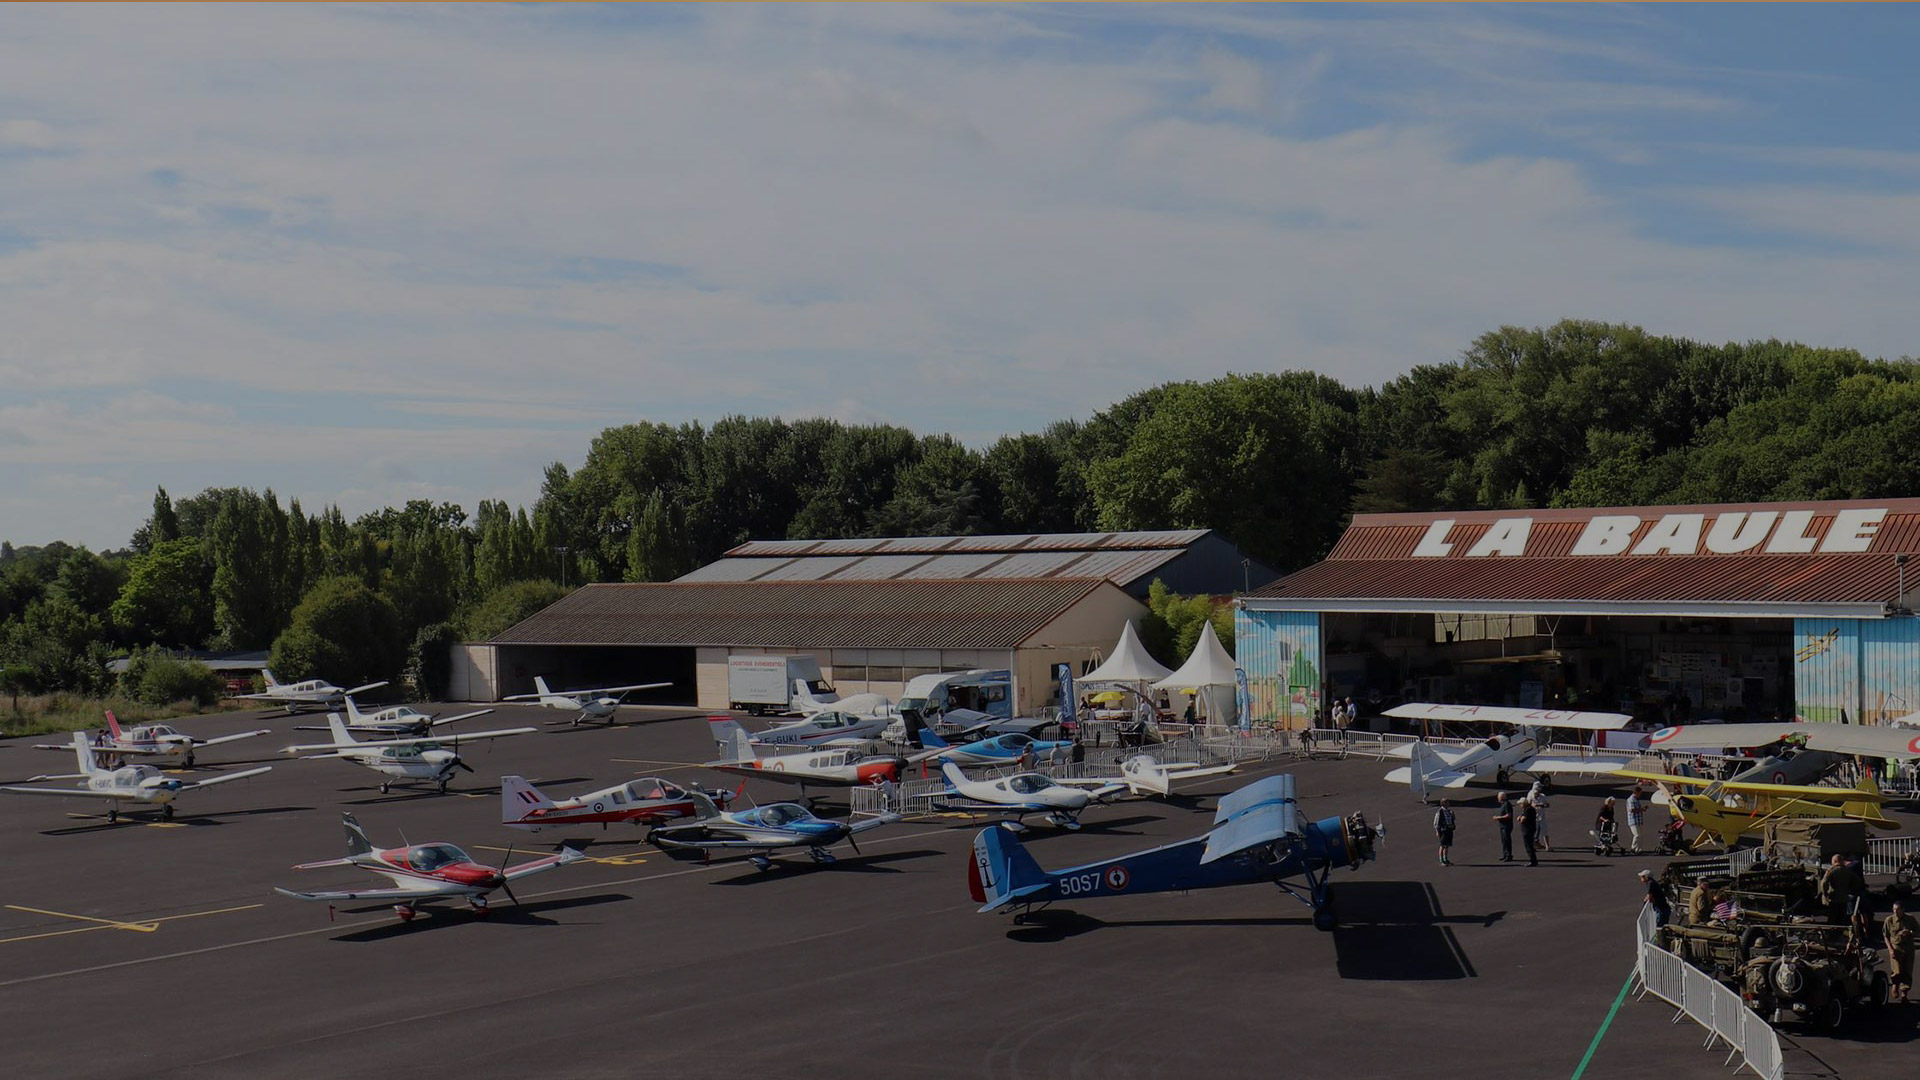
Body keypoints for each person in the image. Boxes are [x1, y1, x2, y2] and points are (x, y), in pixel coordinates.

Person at [1818, 853, 1863, 927]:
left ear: (1835, 861)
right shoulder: (1848, 871)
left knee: (1833, 918)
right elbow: (1857, 882)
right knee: (1842, 918)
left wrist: (1825, 894)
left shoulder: (1831, 871)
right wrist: (1850, 890)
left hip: (1834, 898)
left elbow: (1823, 883)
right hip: (1844, 898)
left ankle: (1832, 932)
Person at [1884, 901, 1917, 1003]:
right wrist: (1890, 950)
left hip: (1908, 948)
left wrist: (1910, 932)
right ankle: (1895, 984)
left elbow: (1918, 931)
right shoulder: (1889, 920)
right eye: (1894, 909)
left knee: (1907, 971)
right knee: (1897, 971)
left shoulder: (1910, 919)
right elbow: (1886, 936)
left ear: (1903, 910)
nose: (1895, 912)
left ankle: (1904, 995)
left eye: (1897, 909)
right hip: (1896, 948)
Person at [1528, 779, 1552, 851]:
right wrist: (1534, 805)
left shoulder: (1542, 796)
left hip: (1541, 816)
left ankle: (1547, 846)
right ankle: (1534, 844)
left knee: (1544, 830)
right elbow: (1528, 804)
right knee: (1534, 831)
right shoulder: (1530, 795)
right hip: (1533, 816)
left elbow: (1547, 805)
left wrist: (1543, 805)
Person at [1433, 799, 1456, 866]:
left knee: (1447, 845)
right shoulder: (1439, 812)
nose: (1449, 804)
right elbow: (1436, 823)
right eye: (1447, 802)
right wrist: (1437, 831)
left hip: (1449, 830)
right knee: (1442, 845)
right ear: (1443, 803)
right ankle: (1441, 860)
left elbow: (1452, 819)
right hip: (1443, 830)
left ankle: (1445, 859)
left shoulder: (1449, 811)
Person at [1493, 791, 1514, 862]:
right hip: (1502, 825)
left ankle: (1509, 855)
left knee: (1507, 840)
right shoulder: (1503, 804)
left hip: (1506, 826)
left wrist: (1498, 817)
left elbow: (1509, 815)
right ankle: (1505, 854)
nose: (1498, 798)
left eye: (1498, 797)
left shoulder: (1507, 804)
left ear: (1502, 797)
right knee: (1504, 840)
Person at [1518, 796, 1539, 866]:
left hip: (1528, 830)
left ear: (1523, 804)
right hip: (1529, 829)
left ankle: (1533, 861)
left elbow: (1522, 819)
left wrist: (1520, 818)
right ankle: (1533, 860)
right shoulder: (1528, 809)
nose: (1520, 805)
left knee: (1529, 846)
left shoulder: (1528, 810)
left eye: (1520, 804)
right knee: (1529, 845)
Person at [1625, 788, 1646, 853]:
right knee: (1637, 835)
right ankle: (1633, 848)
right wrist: (1641, 809)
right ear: (1637, 792)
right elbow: (1632, 809)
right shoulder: (1631, 799)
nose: (1641, 794)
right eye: (1640, 793)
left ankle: (1638, 849)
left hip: (1639, 820)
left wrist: (1642, 809)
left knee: (1641, 835)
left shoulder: (1636, 799)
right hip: (1633, 820)